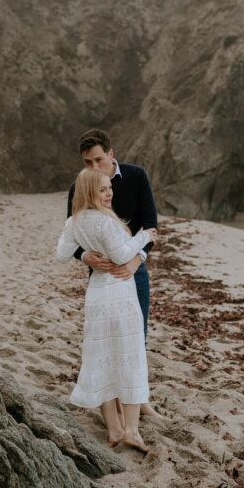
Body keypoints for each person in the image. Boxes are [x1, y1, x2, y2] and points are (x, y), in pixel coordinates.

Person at [56, 166, 153, 449]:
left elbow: (62, 254)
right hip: (120, 294)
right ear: (89, 192)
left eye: (110, 187)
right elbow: (122, 255)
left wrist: (85, 254)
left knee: (103, 358)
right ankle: (131, 431)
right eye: (102, 189)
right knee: (129, 356)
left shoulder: (73, 222)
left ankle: (113, 430)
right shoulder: (105, 222)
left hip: (97, 295)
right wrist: (145, 237)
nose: (109, 193)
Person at [66, 133, 158, 341]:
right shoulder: (79, 187)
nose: (94, 167)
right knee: (104, 336)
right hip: (99, 273)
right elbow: (71, 231)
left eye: (99, 159)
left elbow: (150, 224)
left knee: (136, 335)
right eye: (87, 162)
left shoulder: (136, 176)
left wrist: (135, 262)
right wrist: (84, 256)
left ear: (111, 154)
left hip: (134, 270)